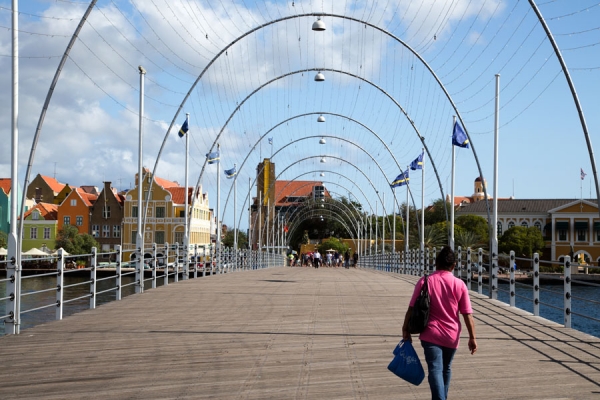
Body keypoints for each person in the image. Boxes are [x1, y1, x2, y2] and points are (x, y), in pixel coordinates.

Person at [401, 246, 477, 400]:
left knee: (435, 368)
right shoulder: (460, 284)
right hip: (452, 335)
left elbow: (411, 308)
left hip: (430, 333)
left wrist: (405, 328)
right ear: (454, 265)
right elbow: (467, 314)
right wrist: (472, 337)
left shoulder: (425, 281)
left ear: (435, 263)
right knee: (446, 368)